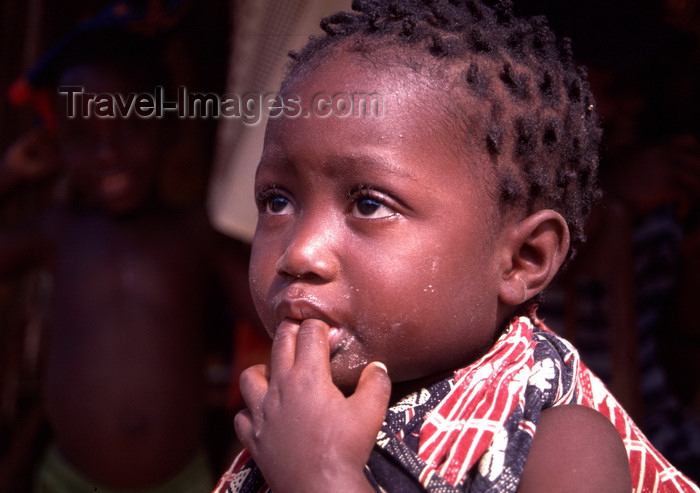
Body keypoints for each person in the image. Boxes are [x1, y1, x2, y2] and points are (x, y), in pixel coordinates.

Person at [212, 0, 700, 492]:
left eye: (369, 205)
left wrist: (319, 476)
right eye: (276, 201)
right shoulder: (281, 421)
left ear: (522, 259)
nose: (300, 253)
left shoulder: (558, 443)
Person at [0, 26, 256, 493]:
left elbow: (270, 312)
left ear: (170, 127)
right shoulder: (57, 232)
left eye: (131, 125)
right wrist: (10, 176)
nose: (108, 152)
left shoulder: (197, 234)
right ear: (57, 147)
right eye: (81, 135)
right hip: (70, 483)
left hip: (184, 482)